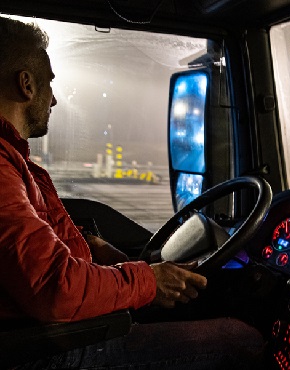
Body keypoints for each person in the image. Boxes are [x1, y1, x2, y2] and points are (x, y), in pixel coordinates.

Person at [0, 16, 264, 369]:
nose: (55, 100)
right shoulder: (2, 167)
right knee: (241, 340)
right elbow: (55, 288)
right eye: (49, 83)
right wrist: (148, 280)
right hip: (44, 349)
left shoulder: (15, 161)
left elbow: (39, 251)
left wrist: (99, 251)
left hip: (52, 334)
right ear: (26, 85)